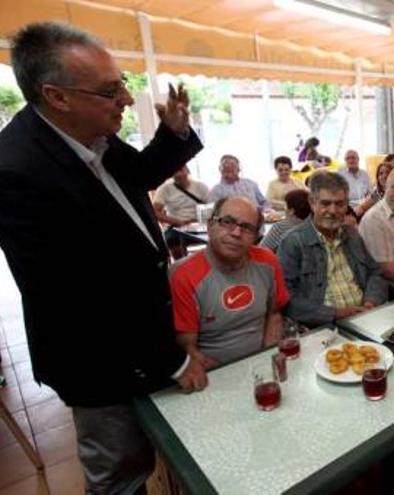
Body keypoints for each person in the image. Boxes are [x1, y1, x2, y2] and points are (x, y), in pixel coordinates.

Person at [0, 22, 207, 494]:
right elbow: (77, 302)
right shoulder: (16, 174)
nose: (128, 101)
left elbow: (142, 174)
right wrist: (171, 362)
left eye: (124, 85)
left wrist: (174, 133)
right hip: (99, 361)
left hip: (141, 335)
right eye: (111, 91)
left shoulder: (91, 131)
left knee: (160, 452)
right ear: (58, 96)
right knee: (120, 474)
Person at [171, 197, 288, 367]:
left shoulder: (268, 261)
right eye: (227, 222)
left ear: (256, 236)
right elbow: (187, 349)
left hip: (262, 361)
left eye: (247, 228)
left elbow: (274, 315)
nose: (236, 233)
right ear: (210, 225)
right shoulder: (182, 275)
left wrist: (266, 357)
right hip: (213, 371)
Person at [277, 171, 386, 327]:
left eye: (340, 204)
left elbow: (375, 273)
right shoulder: (293, 242)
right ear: (312, 203)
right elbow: (286, 298)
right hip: (324, 327)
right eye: (325, 203)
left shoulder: (352, 235)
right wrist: (335, 314)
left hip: (366, 318)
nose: (333, 211)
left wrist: (371, 302)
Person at [153, 164, 210, 259]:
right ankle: (180, 267)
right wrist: (175, 221)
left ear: (188, 171)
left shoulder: (201, 186)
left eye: (180, 170)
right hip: (176, 226)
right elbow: (155, 212)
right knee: (173, 243)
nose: (178, 174)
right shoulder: (165, 189)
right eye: (174, 172)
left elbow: (212, 206)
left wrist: (201, 220)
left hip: (200, 224)